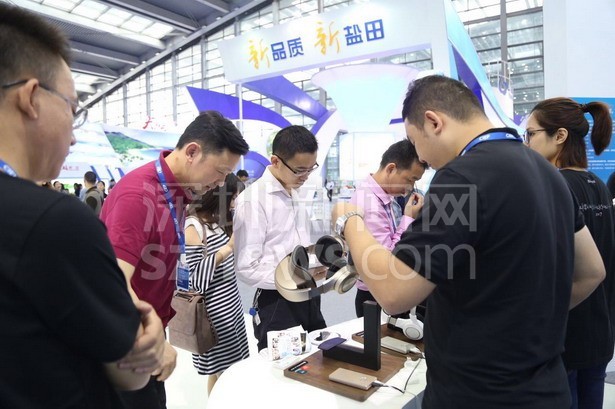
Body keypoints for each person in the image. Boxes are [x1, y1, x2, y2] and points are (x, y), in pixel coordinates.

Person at [332, 75, 606, 408]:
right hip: (546, 387)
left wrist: (350, 220)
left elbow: (393, 290)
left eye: (415, 142)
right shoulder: (548, 173)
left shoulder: (462, 178)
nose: (422, 159)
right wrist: (527, 321)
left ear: (433, 122)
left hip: (478, 393)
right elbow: (592, 271)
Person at [0, 4, 164, 408]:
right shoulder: (52, 220)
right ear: (31, 97)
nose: (73, 135)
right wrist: (148, 335)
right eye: (73, 108)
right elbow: (131, 370)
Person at [100, 110, 249, 409]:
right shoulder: (137, 196)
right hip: (129, 337)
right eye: (220, 172)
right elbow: (111, 282)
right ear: (192, 152)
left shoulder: (178, 193)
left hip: (148, 328)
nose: (221, 183)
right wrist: (154, 339)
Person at [526, 97, 615, 409]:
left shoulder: (554, 186)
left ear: (559, 136)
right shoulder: (598, 185)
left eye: (531, 134)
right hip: (600, 332)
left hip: (565, 336)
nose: (526, 143)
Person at [234, 125, 326, 352]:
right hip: (277, 301)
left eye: (311, 169)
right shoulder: (253, 200)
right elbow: (247, 267)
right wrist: (295, 278)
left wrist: (316, 264)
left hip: (308, 293)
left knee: (320, 356)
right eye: (300, 170)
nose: (306, 176)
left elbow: (299, 244)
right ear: (275, 161)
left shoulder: (296, 190)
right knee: (281, 368)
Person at [184, 173, 250, 395]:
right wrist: (227, 248)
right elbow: (195, 279)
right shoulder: (193, 226)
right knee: (225, 373)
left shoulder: (217, 221)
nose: (235, 203)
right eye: (233, 198)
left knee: (227, 369)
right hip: (213, 314)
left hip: (231, 306)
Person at [350, 139, 426, 317]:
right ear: (391, 169)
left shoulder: (381, 195)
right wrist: (408, 218)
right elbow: (386, 262)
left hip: (380, 292)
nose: (410, 188)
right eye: (410, 180)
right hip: (376, 296)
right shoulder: (369, 203)